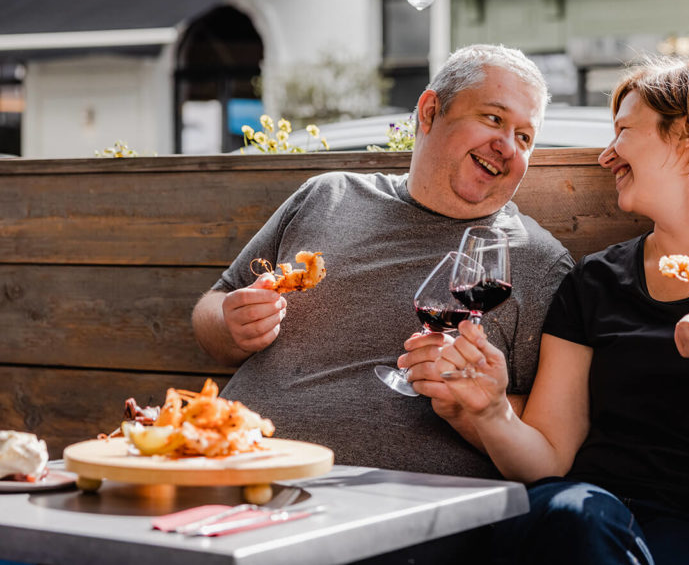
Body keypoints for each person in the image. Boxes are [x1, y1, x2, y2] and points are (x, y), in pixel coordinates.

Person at [432, 56, 689, 564]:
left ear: (687, 135)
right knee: (567, 518)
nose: (606, 156)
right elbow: (549, 458)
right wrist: (491, 410)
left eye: (623, 132)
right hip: (592, 521)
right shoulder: (593, 282)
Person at [191, 43, 574, 480]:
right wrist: (230, 322)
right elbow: (213, 309)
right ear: (429, 112)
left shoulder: (538, 264)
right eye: (493, 118)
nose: (506, 146)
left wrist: (470, 406)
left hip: (384, 504)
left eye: (524, 137)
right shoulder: (327, 196)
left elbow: (541, 434)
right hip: (228, 461)